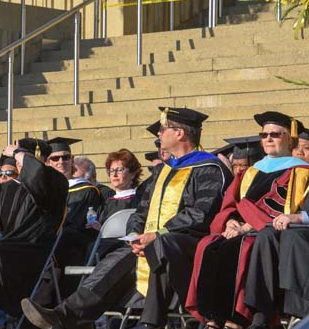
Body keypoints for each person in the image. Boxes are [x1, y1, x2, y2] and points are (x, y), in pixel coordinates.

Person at [22, 106, 233, 329]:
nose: (159, 134)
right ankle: (66, 315)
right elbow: (140, 211)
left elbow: (201, 214)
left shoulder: (209, 168)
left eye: (163, 129)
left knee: (161, 245)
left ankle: (149, 324)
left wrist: (156, 235)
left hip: (191, 246)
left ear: (180, 133)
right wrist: (135, 235)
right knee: (119, 257)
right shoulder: (163, 171)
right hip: (155, 244)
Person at [186, 112, 309, 329]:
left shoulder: (301, 172)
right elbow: (231, 204)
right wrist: (230, 221)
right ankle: (213, 317)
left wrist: (250, 225)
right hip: (243, 229)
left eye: (275, 134)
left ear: (290, 138)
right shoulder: (251, 171)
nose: (268, 139)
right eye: (264, 135)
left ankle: (239, 318)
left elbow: (290, 212)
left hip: (270, 232)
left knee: (244, 246)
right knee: (209, 244)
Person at [0, 142, 68, 328]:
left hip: (35, 246)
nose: (19, 163)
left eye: (23, 159)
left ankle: (0, 317)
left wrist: (17, 151)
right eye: (18, 160)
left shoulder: (54, 181)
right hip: (10, 244)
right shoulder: (8, 187)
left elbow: (36, 173)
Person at [45, 138, 102, 284]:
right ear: (48, 162)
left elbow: (75, 223)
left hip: (74, 242)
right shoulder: (45, 190)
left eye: (65, 157)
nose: (61, 161)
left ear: (72, 160)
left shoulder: (86, 191)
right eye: (55, 158)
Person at [86, 149, 142, 261]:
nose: (114, 174)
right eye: (111, 171)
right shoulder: (106, 202)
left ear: (132, 174)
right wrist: (99, 228)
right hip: (104, 245)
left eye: (119, 170)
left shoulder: (140, 200)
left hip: (126, 247)